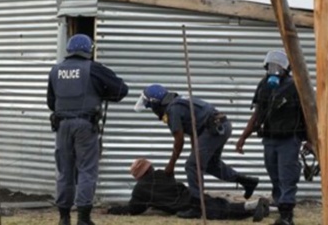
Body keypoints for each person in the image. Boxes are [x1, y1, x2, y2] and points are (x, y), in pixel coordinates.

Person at [135, 84, 259, 219]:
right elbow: (195, 129)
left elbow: (179, 141)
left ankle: (197, 206)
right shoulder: (178, 102)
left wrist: (171, 166)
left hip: (214, 130)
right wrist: (196, 151)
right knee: (211, 164)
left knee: (192, 166)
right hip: (221, 126)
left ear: (155, 104)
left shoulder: (172, 110)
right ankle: (246, 181)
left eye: (150, 107)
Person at [47, 33, 129, 225]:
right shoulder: (94, 69)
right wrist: (100, 93)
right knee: (86, 170)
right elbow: (121, 90)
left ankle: (64, 218)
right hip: (85, 125)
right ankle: (83, 219)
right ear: (88, 50)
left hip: (62, 125)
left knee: (65, 171)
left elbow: (51, 102)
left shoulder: (55, 70)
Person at [236, 50, 306, 225]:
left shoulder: (295, 86)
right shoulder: (264, 86)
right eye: (271, 66)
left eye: (278, 66)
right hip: (269, 139)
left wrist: (310, 140)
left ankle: (286, 216)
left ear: (285, 68)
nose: (274, 69)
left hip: (289, 139)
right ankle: (279, 206)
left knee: (287, 176)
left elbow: (308, 114)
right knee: (274, 174)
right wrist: (243, 137)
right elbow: (258, 114)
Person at [107, 158, 270, 221]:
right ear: (150, 168)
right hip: (192, 195)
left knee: (219, 211)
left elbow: (134, 209)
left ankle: (254, 208)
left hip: (186, 206)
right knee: (218, 204)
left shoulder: (140, 190)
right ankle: (256, 205)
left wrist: (111, 210)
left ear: (138, 176)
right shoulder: (162, 175)